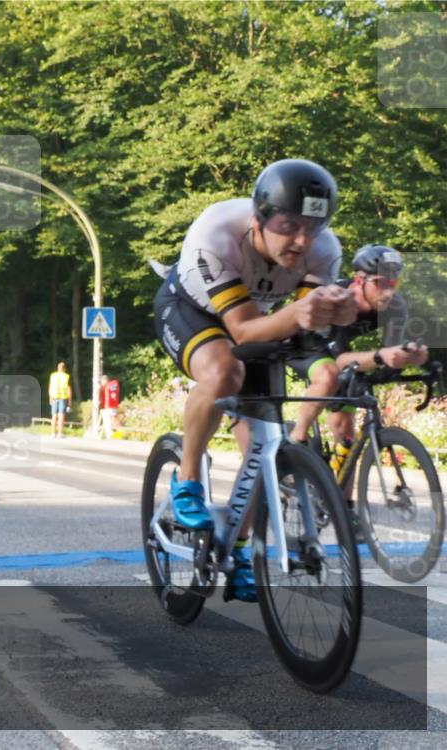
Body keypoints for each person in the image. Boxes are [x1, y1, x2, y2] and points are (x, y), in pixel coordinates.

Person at [153, 158, 356, 602]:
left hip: (264, 321)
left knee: (262, 448)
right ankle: (187, 480)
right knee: (225, 370)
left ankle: (239, 550)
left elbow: (303, 326)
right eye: (289, 225)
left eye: (314, 227)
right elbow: (242, 331)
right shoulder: (218, 234)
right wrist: (300, 314)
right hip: (193, 310)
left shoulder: (325, 250)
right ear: (259, 217)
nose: (302, 241)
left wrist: (337, 311)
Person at [288, 244, 428, 470]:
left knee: (347, 437)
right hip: (304, 344)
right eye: (380, 283)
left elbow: (389, 350)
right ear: (359, 281)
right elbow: (340, 359)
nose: (388, 292)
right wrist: (381, 355)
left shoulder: (395, 305)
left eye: (393, 284)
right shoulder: (339, 300)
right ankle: (297, 439)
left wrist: (409, 356)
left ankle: (344, 503)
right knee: (328, 375)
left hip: (336, 352)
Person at [48, 362, 73, 438]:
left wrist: (50, 397)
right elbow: (69, 389)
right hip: (63, 397)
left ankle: (53, 433)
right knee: (61, 415)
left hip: (54, 397)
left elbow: (50, 387)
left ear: (58, 368)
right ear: (65, 369)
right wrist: (70, 400)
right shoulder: (66, 376)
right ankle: (60, 433)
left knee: (54, 415)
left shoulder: (53, 376)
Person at [99, 374, 122, 439]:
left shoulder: (109, 386)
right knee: (107, 421)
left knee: (112, 419)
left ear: (105, 380)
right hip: (107, 407)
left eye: (102, 381)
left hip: (110, 406)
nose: (102, 383)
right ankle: (109, 435)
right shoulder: (108, 386)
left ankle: (118, 434)